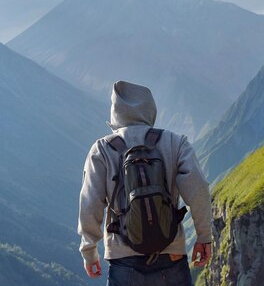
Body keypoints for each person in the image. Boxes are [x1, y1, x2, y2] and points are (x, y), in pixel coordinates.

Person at [78, 80, 213, 285]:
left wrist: (89, 250)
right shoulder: (175, 143)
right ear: (151, 109)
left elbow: (90, 203)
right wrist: (204, 237)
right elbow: (198, 190)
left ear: (115, 113)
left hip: (123, 259)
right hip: (171, 255)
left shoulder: (102, 150)